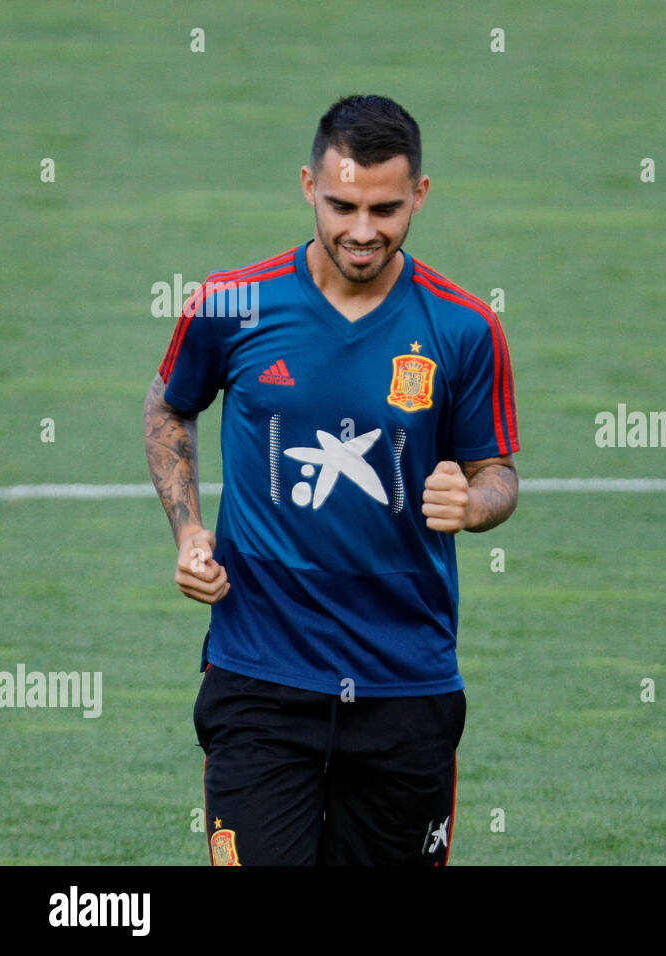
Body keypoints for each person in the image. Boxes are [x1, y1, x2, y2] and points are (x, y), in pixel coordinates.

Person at [144, 94, 519, 865]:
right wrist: (187, 531)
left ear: (419, 195)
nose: (361, 230)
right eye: (341, 204)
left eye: (384, 209)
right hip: (259, 675)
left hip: (405, 679)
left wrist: (475, 505)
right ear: (307, 185)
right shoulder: (231, 304)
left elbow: (497, 473)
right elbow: (169, 407)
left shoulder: (464, 327)